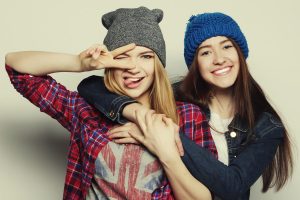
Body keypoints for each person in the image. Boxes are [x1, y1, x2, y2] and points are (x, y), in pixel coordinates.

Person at [5, 6, 218, 200]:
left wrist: (164, 151)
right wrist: (78, 63)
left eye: (145, 57)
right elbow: (17, 68)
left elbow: (206, 196)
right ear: (108, 62)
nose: (132, 67)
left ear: (158, 65)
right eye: (122, 56)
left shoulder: (189, 116)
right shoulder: (85, 110)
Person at [77, 12, 294, 200]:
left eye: (227, 46)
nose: (219, 59)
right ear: (195, 64)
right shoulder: (175, 97)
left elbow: (233, 186)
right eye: (205, 52)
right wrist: (138, 112)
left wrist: (156, 134)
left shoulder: (267, 125)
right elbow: (92, 86)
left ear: (240, 52)